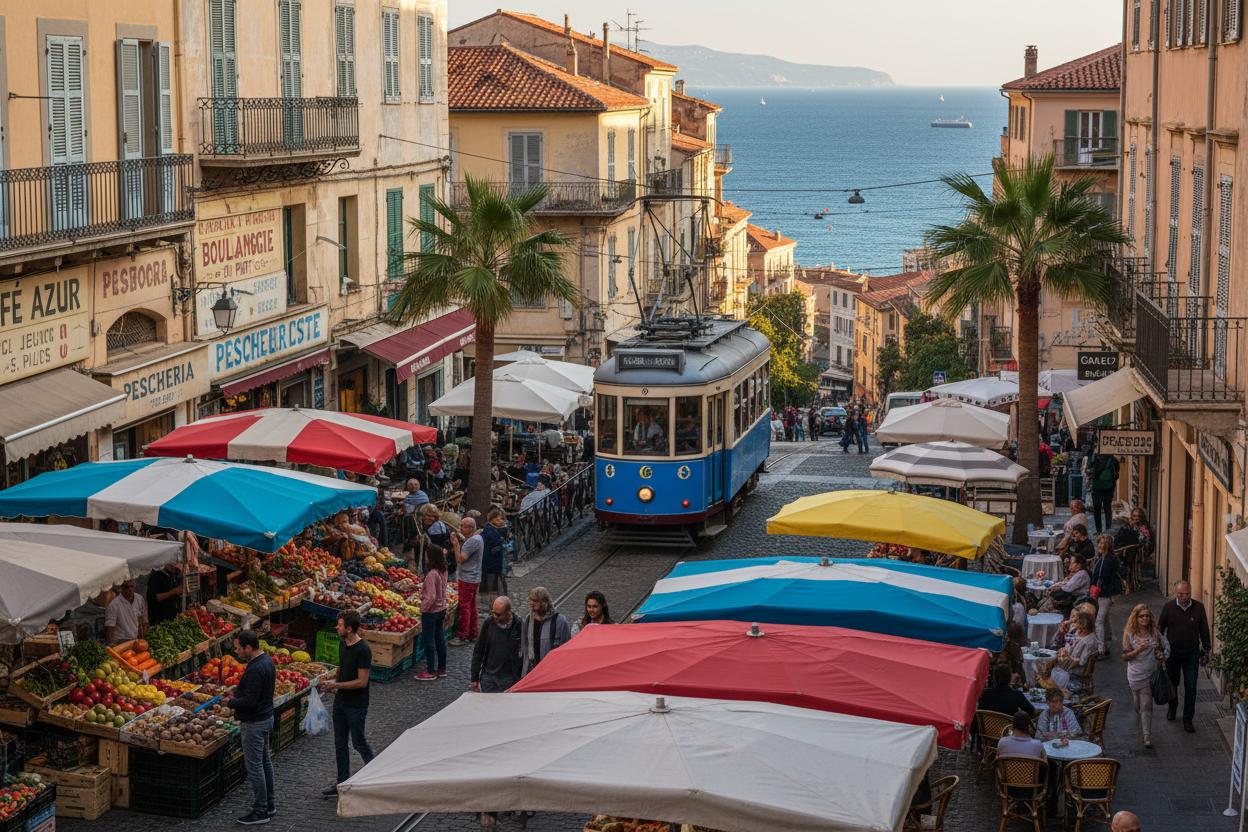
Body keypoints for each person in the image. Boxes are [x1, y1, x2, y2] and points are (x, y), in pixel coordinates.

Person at [320, 610, 375, 795]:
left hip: (356, 705)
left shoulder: (363, 650)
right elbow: (342, 667)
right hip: (340, 702)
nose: (337, 627)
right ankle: (341, 782)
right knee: (339, 743)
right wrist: (333, 685)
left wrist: (338, 685)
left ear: (349, 628)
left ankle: (375, 775)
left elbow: (362, 681)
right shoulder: (343, 643)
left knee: (359, 742)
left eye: (340, 625)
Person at [229, 630, 276, 825]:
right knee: (265, 762)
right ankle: (269, 804)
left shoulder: (256, 668)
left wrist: (231, 702)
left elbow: (249, 702)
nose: (237, 652)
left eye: (239, 648)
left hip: (254, 723)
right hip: (266, 717)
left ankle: (260, 810)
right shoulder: (267, 660)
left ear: (249, 647)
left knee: (255, 766)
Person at [1158, 580, 1211, 732]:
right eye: (1180, 594)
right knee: (1173, 684)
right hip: (1172, 654)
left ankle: (1188, 719)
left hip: (1191, 654)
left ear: (1191, 592)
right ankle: (1172, 707)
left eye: (1187, 594)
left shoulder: (1198, 608)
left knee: (1191, 687)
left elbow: (1204, 630)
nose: (1184, 597)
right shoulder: (1168, 607)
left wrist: (1207, 649)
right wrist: (1159, 648)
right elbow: (1160, 628)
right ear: (1176, 593)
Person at [1122, 603, 1167, 748]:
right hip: (1134, 674)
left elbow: (1166, 646)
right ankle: (1140, 718)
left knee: (1146, 705)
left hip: (1150, 674)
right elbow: (1125, 656)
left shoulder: (1154, 632)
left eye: (1147, 616)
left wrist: (1162, 656)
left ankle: (1147, 735)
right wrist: (1137, 650)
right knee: (1137, 703)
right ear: (1136, 617)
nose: (1144, 619)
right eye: (1141, 616)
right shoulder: (1129, 633)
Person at [470, 596, 522, 692]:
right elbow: (478, 650)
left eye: (499, 615)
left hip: (509, 678)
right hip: (489, 677)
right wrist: (474, 677)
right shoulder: (489, 623)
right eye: (493, 613)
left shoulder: (519, 625)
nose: (495, 617)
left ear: (508, 612)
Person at [415, 544, 448, 682]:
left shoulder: (431, 575)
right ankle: (441, 669)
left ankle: (430, 671)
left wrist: (423, 607)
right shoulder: (443, 570)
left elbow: (431, 597)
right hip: (442, 609)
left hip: (431, 611)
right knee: (440, 638)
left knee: (429, 641)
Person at [520, 587, 573, 676]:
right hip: (532, 671)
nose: (531, 603)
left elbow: (566, 648)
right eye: (531, 600)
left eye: (535, 601)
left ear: (544, 602)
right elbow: (525, 646)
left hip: (552, 672)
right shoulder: (528, 619)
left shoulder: (560, 620)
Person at [451, 516, 483, 646]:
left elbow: (460, 559)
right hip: (474, 577)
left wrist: (455, 544)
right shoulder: (477, 538)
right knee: (472, 606)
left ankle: (463, 635)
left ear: (470, 528)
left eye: (462, 526)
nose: (460, 529)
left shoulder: (472, 542)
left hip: (468, 578)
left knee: (465, 607)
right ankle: (473, 633)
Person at [1090, 533, 1124, 657]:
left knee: (1098, 620)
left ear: (1108, 545)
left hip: (1106, 593)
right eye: (1100, 542)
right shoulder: (1103, 557)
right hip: (1104, 592)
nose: (1101, 545)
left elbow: (1102, 576)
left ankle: (1101, 649)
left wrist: (1095, 588)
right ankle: (1106, 644)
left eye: (1104, 543)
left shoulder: (1108, 559)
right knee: (1104, 618)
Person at [1052, 610, 1097, 695]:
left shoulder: (1089, 641)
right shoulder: (1077, 631)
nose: (1074, 623)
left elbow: (1082, 661)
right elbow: (1067, 644)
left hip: (1075, 672)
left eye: (1077, 622)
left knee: (1049, 673)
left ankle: (1056, 695)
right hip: (1066, 664)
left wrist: (1067, 658)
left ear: (1083, 624)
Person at [479, 508, 509, 607]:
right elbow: (494, 550)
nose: (501, 521)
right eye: (499, 519)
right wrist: (501, 544)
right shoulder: (492, 532)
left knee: (493, 587)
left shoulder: (489, 530)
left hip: (489, 565)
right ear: (492, 520)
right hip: (492, 565)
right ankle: (495, 607)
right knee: (493, 588)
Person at [104, 580, 148, 644]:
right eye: (127, 587)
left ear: (134, 586)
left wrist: (143, 636)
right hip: (121, 640)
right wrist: (111, 645)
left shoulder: (139, 599)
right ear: (121, 588)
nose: (130, 589)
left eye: (132, 586)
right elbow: (110, 627)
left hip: (135, 640)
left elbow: (143, 619)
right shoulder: (114, 605)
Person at [419, 504, 455, 579]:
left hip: (441, 563)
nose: (429, 518)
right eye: (426, 515)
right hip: (442, 561)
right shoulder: (432, 526)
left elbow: (436, 549)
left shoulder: (436, 529)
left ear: (436, 517)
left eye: (432, 516)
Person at [1088, 451, 1120, 533]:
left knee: (1097, 509)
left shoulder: (1095, 457)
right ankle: (1108, 529)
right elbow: (1117, 471)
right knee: (1107, 509)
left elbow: (1089, 468)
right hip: (1109, 488)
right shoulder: (1112, 459)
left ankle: (1099, 530)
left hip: (1096, 487)